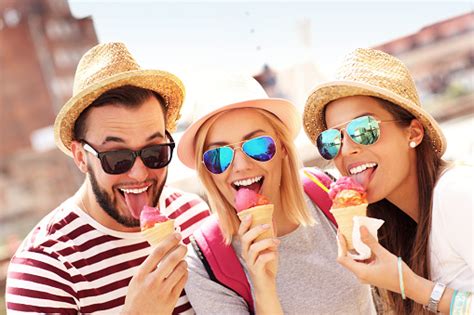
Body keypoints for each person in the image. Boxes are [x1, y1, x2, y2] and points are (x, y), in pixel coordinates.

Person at [5, 42, 210, 313]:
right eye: (117, 158)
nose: (139, 173)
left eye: (154, 152)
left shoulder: (194, 216)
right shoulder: (44, 268)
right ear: (80, 157)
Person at [176, 75, 376, 314]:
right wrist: (263, 288)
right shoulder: (203, 264)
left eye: (258, 146)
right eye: (218, 156)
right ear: (207, 170)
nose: (240, 166)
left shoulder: (331, 192)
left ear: (282, 147)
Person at [303, 48, 473, 314]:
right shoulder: (395, 228)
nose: (347, 150)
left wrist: (410, 285)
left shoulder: (457, 193)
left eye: (364, 130)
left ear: (413, 133)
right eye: (332, 141)